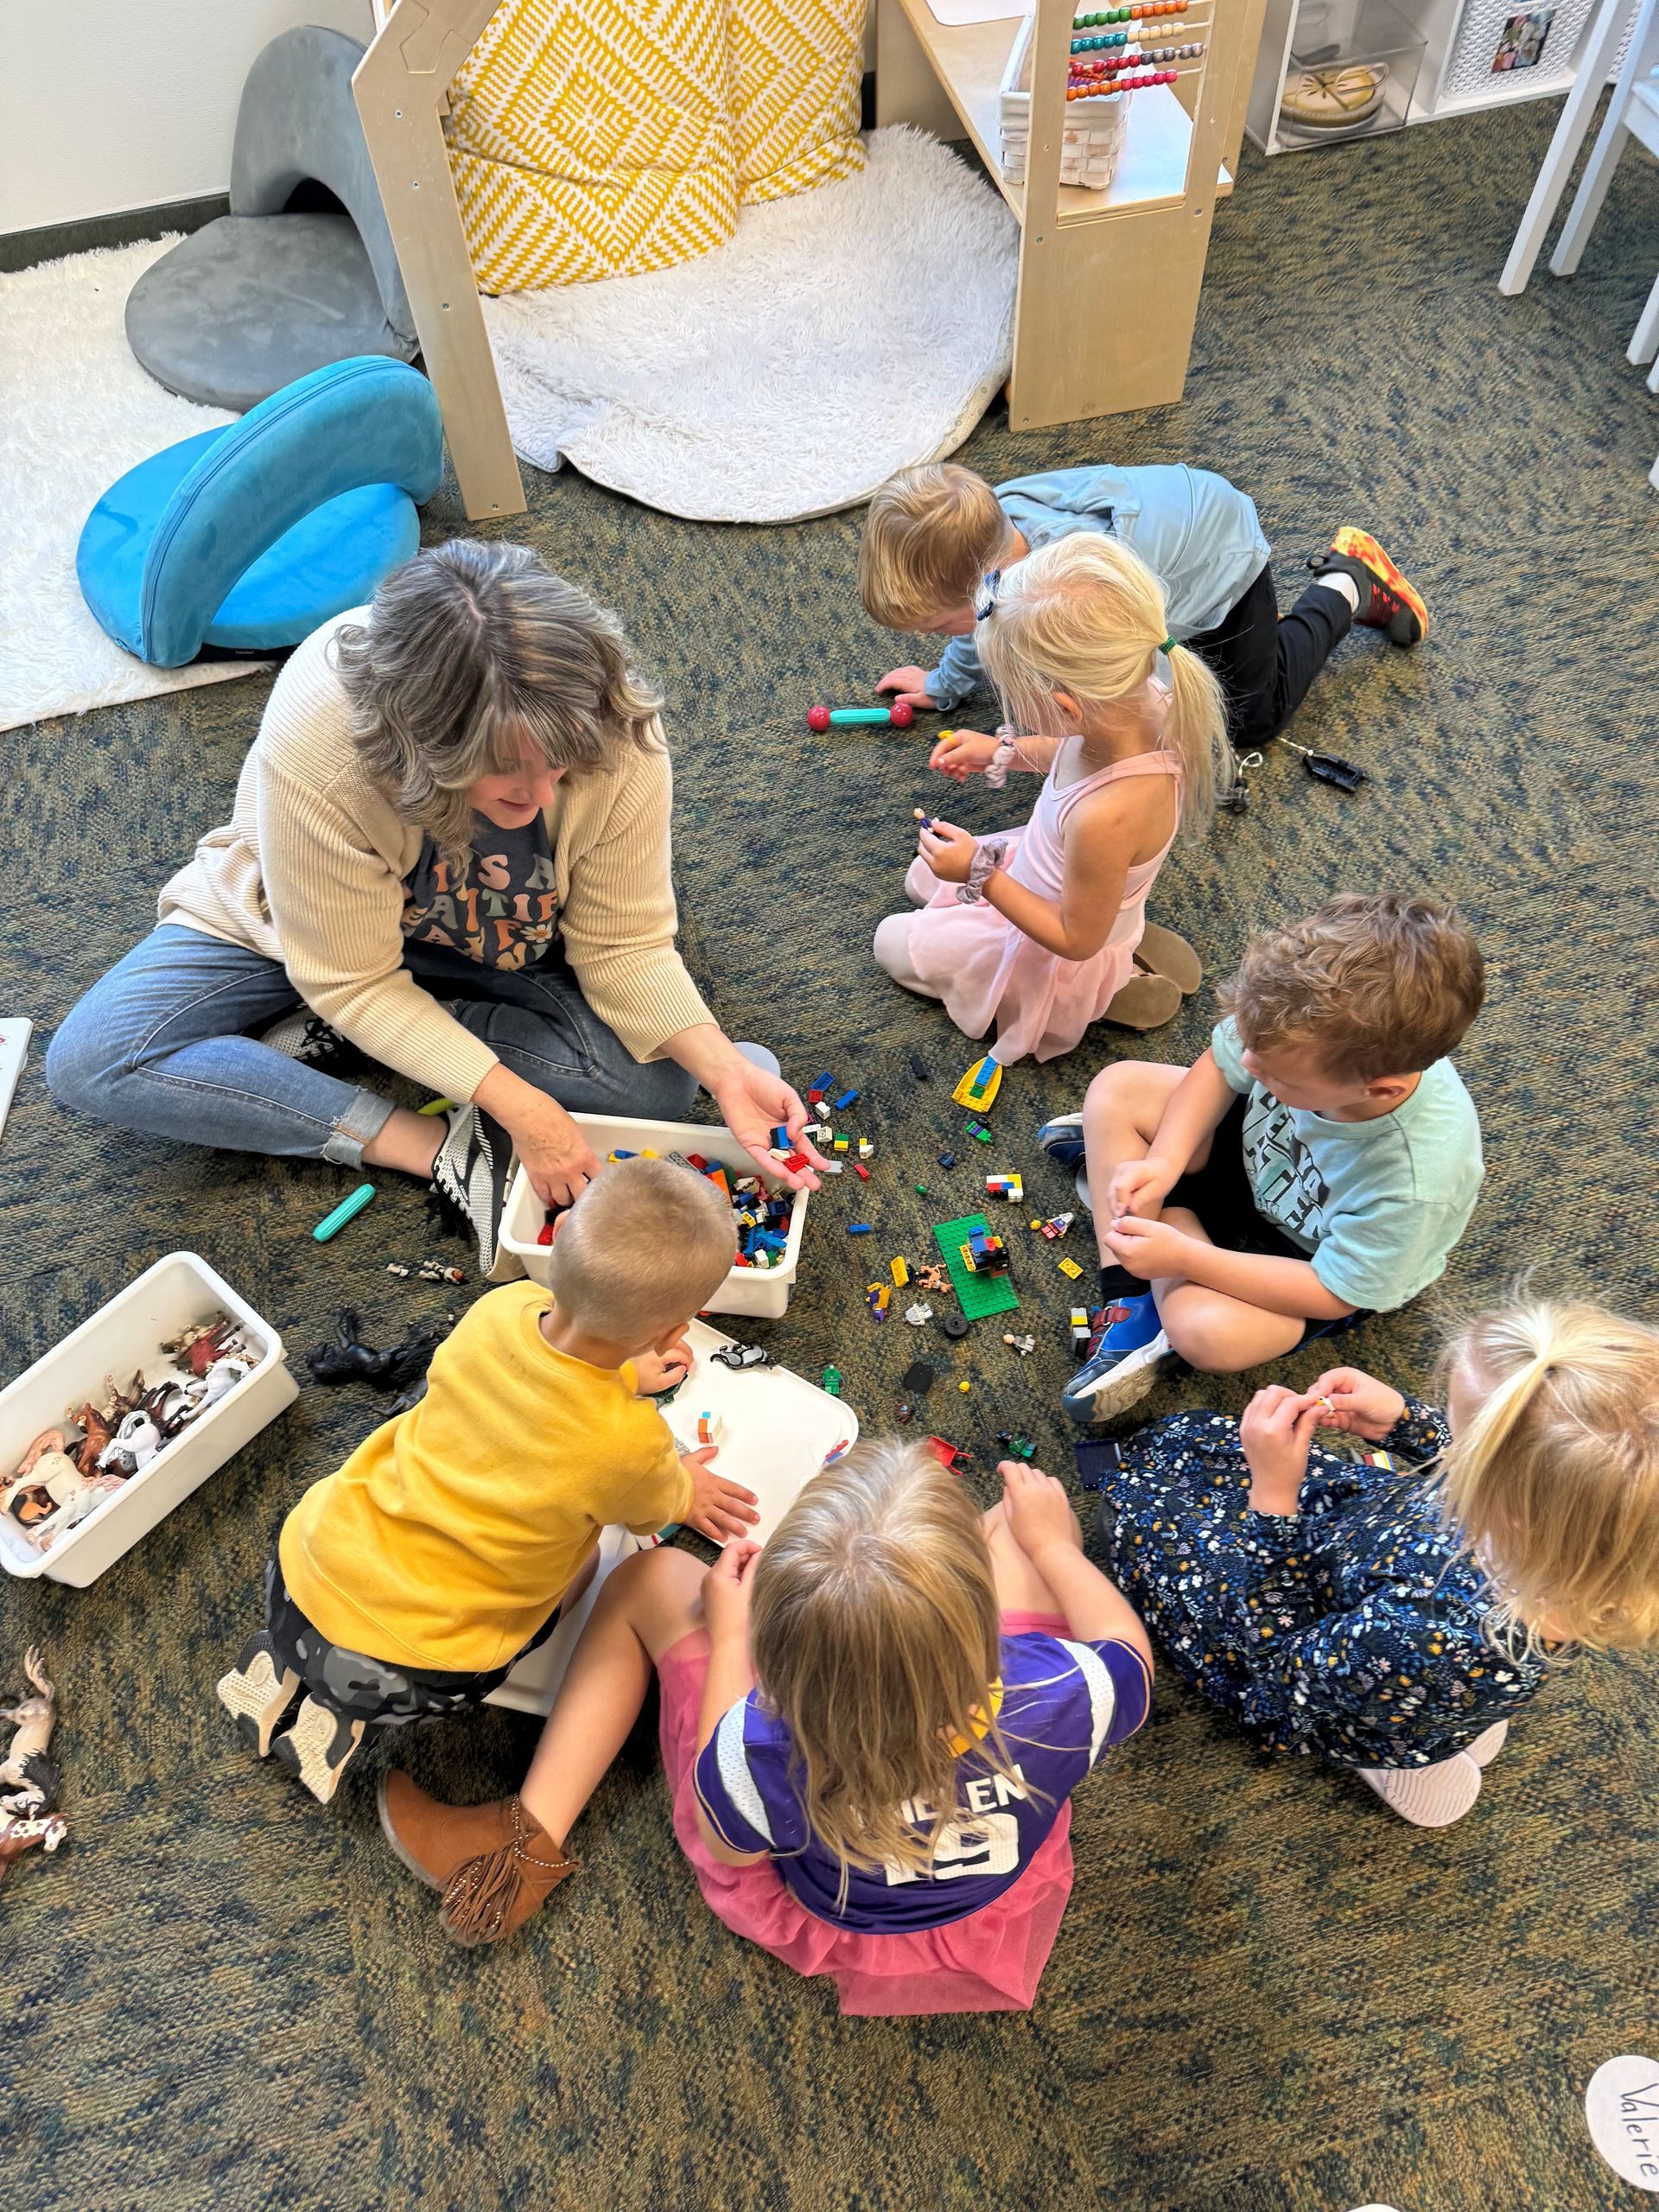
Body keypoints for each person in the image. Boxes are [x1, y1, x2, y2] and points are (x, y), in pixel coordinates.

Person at [47, 542, 819, 1272]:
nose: (542, 795)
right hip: (305, 926)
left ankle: (378, 1035)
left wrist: (721, 1067)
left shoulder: (615, 727)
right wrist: (517, 1107)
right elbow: (350, 976)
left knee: (659, 1087)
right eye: (508, 776)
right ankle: (433, 1142)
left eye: (561, 771)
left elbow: (625, 945)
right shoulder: (322, 745)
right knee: (95, 1059)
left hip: (494, 936)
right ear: (421, 748)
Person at [374, 1444, 1154, 2014]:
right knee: (1015, 1527)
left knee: (649, 1580)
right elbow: (1130, 1656)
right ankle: (998, 1560)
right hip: (986, 1888)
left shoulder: (761, 1754)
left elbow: (726, 1845)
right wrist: (1051, 1541)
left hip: (830, 1904)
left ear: (782, 1669)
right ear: (981, 1628)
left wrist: (734, 1637)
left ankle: (525, 1841)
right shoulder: (1068, 1698)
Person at [214, 1158, 760, 1803]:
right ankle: (337, 1717)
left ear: (557, 1250)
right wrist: (687, 1491)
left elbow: (544, 1380)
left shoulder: (500, 1309)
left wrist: (624, 1370)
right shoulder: (629, 1446)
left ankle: (279, 1665)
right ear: (673, 1331)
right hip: (419, 1666)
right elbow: (651, 1505)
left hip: (305, 1568)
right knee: (585, 1559)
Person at [1095, 1296, 1659, 1827]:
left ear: (1506, 1505)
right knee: (1191, 1446)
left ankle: (1390, 1738)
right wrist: (1406, 1423)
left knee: (1143, 1517)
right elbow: (1518, 1473)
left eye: (1461, 1442)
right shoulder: (1581, 1550)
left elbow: (1274, 1664)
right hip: (1363, 1572)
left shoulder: (1431, 1641)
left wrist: (1272, 1497)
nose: (1449, 1449)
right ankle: (1425, 1718)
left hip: (1303, 1634)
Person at [1041, 894, 1486, 1420]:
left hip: (1305, 1261)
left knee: (1207, 1334)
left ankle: (1151, 1250)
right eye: (1251, 1044)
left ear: (1380, 1091)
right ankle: (1135, 1286)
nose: (1249, 1062)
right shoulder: (1293, 1018)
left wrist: (1188, 1259)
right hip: (1251, 1155)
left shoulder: (1413, 1186)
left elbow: (1332, 1293)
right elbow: (1217, 1070)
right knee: (1118, 1089)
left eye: (1277, 1075)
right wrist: (1163, 1162)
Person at [873, 537, 1228, 1059]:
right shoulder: (1141, 703)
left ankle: (1096, 989)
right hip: (1059, 873)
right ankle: (1125, 944)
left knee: (890, 941)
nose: (1007, 707)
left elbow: (1074, 937)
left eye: (1010, 697)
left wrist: (982, 873)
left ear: (1065, 706)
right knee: (921, 876)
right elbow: (1070, 749)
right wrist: (1004, 751)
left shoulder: (1105, 817)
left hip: (1062, 934)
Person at [859, 460, 1428, 763]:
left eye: (932, 626)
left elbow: (1140, 701)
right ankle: (1249, 644)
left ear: (984, 589)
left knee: (1251, 721)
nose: (931, 635)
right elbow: (980, 622)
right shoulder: (987, 538)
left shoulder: (1083, 595)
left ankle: (1346, 583)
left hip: (1223, 569)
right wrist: (945, 683)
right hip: (1174, 544)